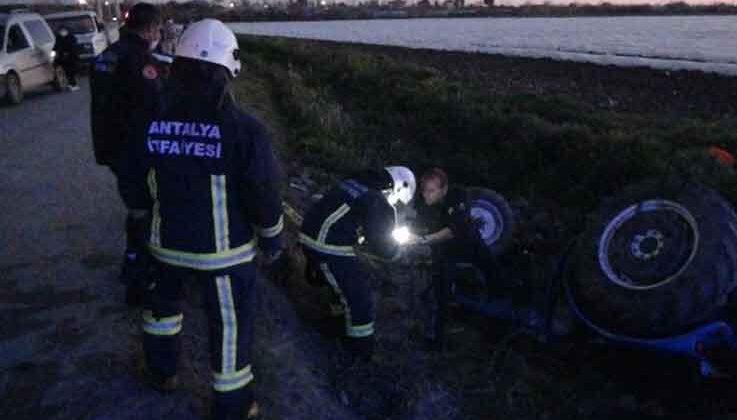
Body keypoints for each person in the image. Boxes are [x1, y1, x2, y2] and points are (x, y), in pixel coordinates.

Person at [120, 18, 283, 420]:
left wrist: (143, 217)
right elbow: (263, 193)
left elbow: (133, 178)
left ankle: (162, 374)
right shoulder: (245, 130)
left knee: (162, 313)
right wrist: (272, 239)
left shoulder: (148, 120)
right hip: (224, 258)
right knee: (229, 327)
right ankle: (232, 405)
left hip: (165, 246)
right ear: (227, 73)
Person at [411, 168, 541, 349]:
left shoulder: (458, 196)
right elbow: (417, 221)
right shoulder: (424, 204)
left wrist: (425, 240)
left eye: (431, 190)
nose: (426, 194)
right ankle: (437, 339)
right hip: (446, 252)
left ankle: (502, 330)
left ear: (444, 189)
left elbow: (454, 229)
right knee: (440, 293)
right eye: (424, 190)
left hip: (471, 246)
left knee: (496, 280)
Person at [299, 167, 415, 362]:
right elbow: (382, 245)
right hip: (328, 246)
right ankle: (360, 351)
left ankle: (335, 325)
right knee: (359, 297)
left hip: (311, 237)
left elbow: (348, 217)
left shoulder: (355, 183)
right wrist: (399, 252)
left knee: (340, 287)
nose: (396, 203)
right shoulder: (377, 199)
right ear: (398, 187)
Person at [89, 3, 164, 306]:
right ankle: (140, 278)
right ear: (149, 29)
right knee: (145, 214)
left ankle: (133, 265)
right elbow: (155, 107)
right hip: (137, 152)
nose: (159, 34)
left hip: (112, 149)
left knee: (136, 209)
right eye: (158, 29)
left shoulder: (105, 57)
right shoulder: (141, 61)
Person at [53, 26, 79, 91]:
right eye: (61, 31)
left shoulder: (71, 37)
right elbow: (56, 46)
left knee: (70, 71)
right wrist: (54, 53)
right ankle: (66, 84)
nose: (62, 32)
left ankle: (73, 84)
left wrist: (69, 53)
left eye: (63, 30)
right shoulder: (58, 38)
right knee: (63, 71)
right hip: (62, 57)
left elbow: (73, 47)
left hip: (71, 57)